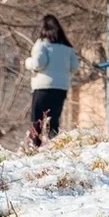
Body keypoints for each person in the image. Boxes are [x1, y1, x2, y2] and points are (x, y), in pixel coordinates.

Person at [24, 14, 80, 147]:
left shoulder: (42, 44)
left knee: (37, 119)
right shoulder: (67, 47)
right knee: (54, 119)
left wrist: (27, 62)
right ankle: (54, 143)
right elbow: (74, 66)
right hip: (61, 87)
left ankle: (35, 145)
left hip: (43, 86)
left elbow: (38, 63)